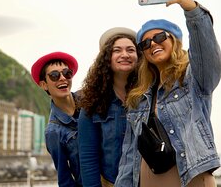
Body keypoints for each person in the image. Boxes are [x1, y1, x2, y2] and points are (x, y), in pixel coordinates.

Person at [115, 0, 221, 187]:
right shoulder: (138, 97)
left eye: (159, 36)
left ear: (174, 40)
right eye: (145, 43)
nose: (153, 43)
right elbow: (129, 153)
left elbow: (207, 55)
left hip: (190, 177)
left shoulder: (194, 79)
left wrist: (192, 10)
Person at [78, 27, 141, 187]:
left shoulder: (150, 94)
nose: (125, 55)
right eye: (117, 50)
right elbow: (88, 157)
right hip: (111, 182)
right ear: (106, 58)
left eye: (131, 50)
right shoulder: (92, 102)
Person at [31, 51, 82, 187]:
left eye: (67, 73)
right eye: (54, 75)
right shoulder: (53, 132)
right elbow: (65, 180)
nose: (62, 78)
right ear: (44, 85)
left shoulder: (91, 100)